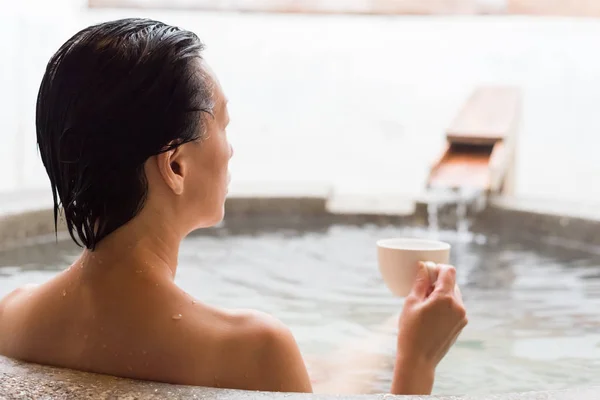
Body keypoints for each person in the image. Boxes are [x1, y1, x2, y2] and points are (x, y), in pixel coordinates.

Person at [0, 18, 467, 395]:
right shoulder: (255, 350)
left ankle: (390, 328)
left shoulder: (13, 317)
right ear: (176, 165)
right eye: (223, 124)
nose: (230, 150)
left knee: (328, 373)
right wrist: (417, 362)